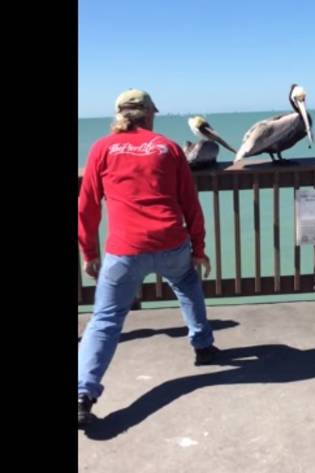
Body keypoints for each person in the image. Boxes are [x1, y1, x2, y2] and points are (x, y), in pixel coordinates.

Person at [78, 89, 219, 427]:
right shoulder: (168, 148)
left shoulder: (102, 148)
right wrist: (199, 249)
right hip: (170, 243)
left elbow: (87, 206)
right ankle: (203, 346)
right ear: (150, 114)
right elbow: (190, 203)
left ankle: (83, 393)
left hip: (125, 250)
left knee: (105, 320)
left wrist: (89, 252)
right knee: (186, 282)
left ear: (119, 115)